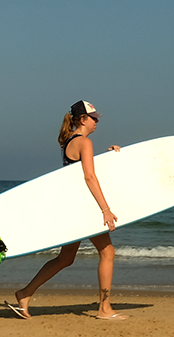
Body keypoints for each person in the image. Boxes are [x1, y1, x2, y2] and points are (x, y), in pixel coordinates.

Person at [8, 100, 125, 320]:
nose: (96, 121)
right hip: (84, 209)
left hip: (74, 208)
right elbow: (89, 177)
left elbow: (83, 171)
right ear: (83, 119)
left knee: (65, 258)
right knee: (107, 253)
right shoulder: (84, 143)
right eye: (93, 118)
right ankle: (104, 308)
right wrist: (105, 209)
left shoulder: (70, 141)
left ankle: (24, 294)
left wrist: (110, 157)